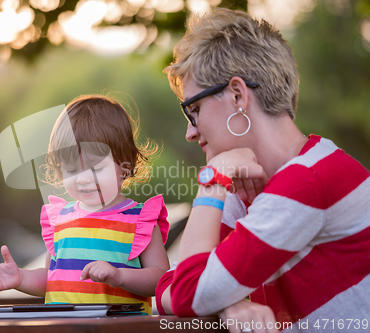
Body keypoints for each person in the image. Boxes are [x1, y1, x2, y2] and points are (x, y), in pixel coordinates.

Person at [155, 8, 370, 333]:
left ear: (238, 95)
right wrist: (229, 301)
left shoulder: (308, 179)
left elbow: (187, 291)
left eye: (194, 110)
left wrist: (211, 179)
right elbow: (169, 286)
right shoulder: (247, 189)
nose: (191, 131)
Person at [0, 95, 170, 315]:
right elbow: (52, 277)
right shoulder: (60, 219)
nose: (83, 179)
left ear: (126, 163)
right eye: (72, 170)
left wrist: (120, 275)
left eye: (95, 168)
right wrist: (21, 278)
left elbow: (161, 279)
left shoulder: (140, 220)